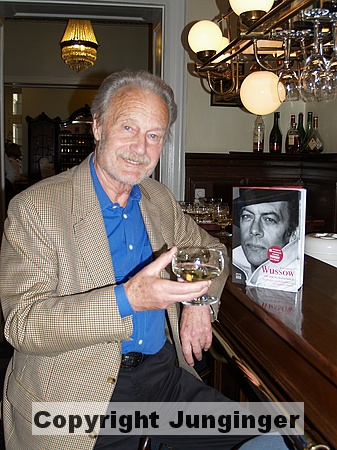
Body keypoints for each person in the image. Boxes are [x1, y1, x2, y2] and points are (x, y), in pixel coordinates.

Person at [0, 71, 291, 450]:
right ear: (98, 126)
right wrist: (127, 299)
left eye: (154, 135)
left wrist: (198, 302)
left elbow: (215, 252)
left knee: (277, 435)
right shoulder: (35, 209)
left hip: (161, 379)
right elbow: (22, 325)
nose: (141, 148)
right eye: (128, 127)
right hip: (77, 392)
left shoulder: (156, 199)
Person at [232, 188, 301, 289]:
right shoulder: (234, 261)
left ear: (293, 233)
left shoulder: (292, 285)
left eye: (269, 219)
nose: (254, 230)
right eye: (247, 216)